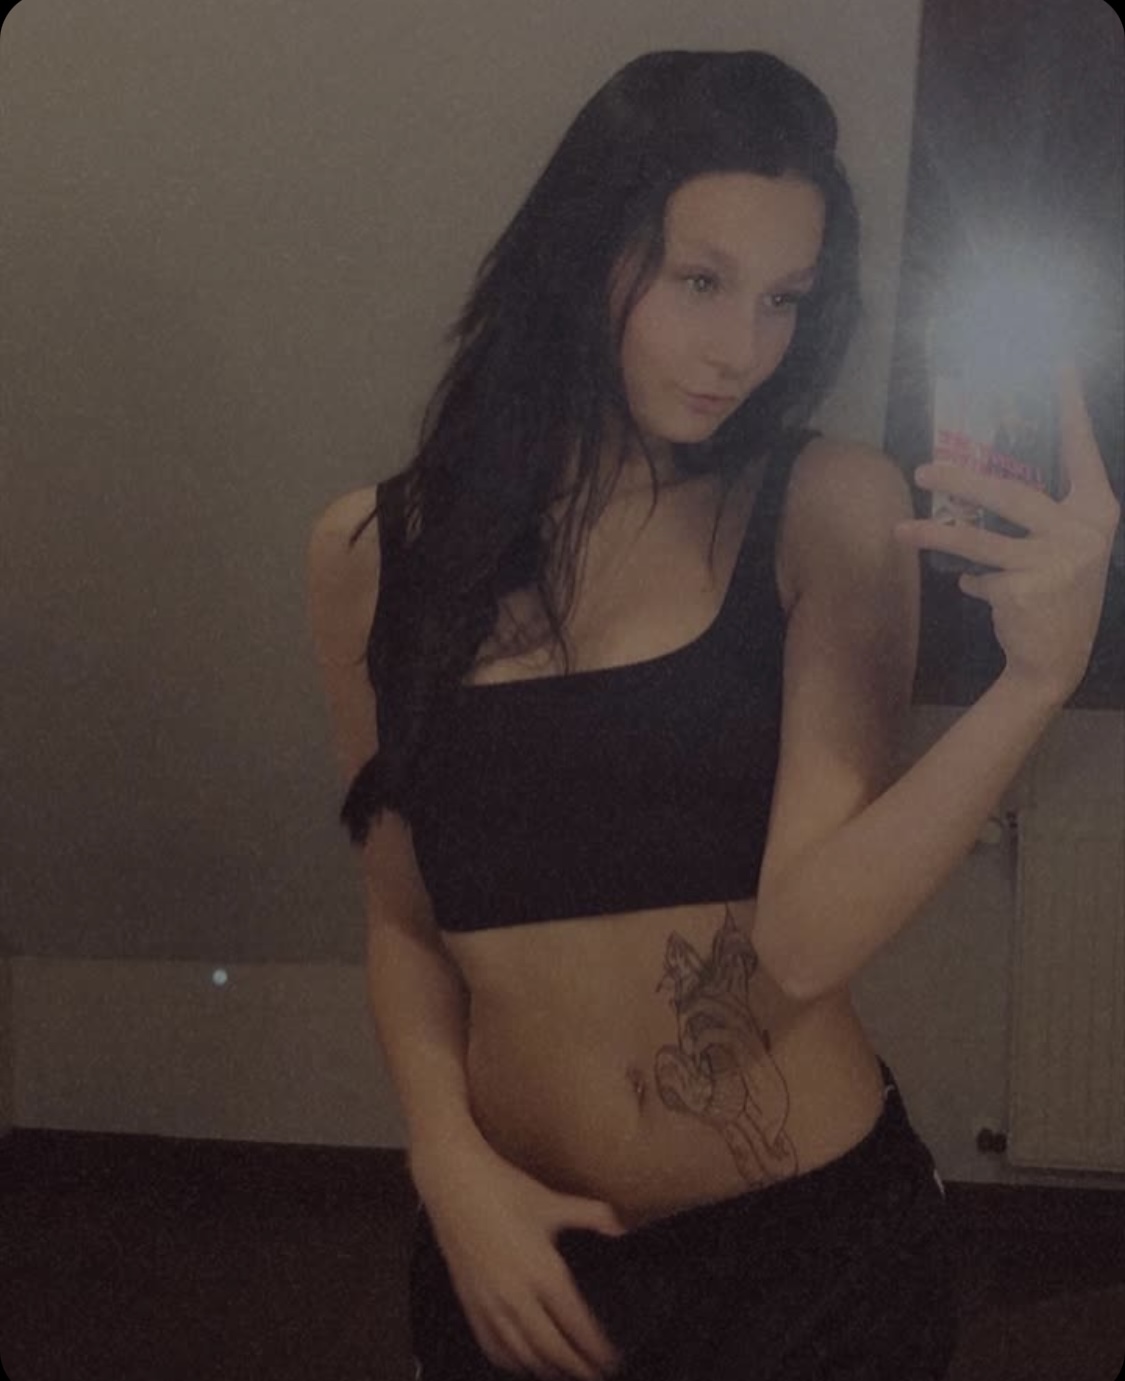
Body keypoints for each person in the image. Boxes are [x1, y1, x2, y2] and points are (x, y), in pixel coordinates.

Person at [306, 51, 1119, 1381]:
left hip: (806, 1266)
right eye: (701, 281)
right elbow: (403, 913)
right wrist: (446, 1164)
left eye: (784, 298)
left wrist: (1032, 683)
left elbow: (802, 940)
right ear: (584, 254)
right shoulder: (371, 555)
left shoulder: (824, 509)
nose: (743, 348)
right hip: (516, 1248)